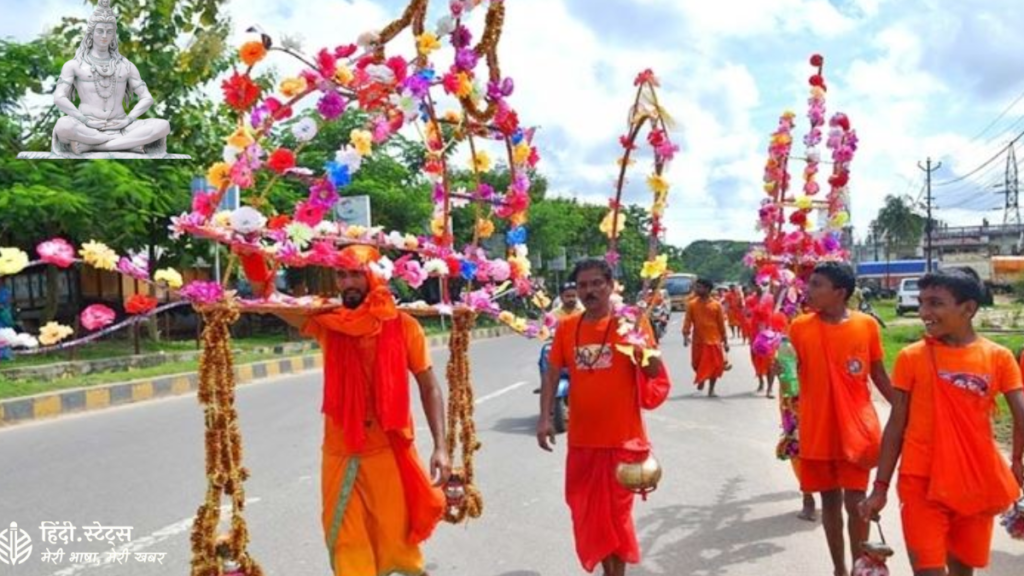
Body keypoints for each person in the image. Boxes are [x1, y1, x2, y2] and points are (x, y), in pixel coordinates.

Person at [250, 246, 450, 576]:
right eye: (342, 275)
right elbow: (267, 296)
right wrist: (249, 253)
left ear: (374, 275)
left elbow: (429, 386)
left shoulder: (404, 326)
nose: (348, 282)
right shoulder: (328, 323)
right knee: (346, 540)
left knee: (396, 542)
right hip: (341, 452)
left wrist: (441, 447)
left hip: (387, 451)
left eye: (356, 273)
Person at [860, 268, 1024, 576]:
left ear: (968, 309)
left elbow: (1021, 413)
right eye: (922, 303)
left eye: (935, 303)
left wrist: (1016, 459)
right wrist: (879, 487)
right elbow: (896, 425)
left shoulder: (998, 357)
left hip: (975, 483)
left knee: (963, 571)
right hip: (921, 483)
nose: (924, 312)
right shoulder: (911, 357)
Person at [537, 258, 669, 576]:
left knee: (616, 518)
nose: (590, 290)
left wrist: (640, 347)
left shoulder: (631, 325)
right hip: (582, 442)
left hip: (623, 441)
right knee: (586, 513)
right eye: (583, 285)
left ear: (611, 285)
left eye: (597, 283)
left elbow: (654, 373)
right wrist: (545, 418)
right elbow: (552, 374)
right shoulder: (568, 327)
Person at [789, 262, 894, 576]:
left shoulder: (867, 325)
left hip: (857, 429)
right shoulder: (799, 327)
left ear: (840, 293)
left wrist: (906, 413)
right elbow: (790, 375)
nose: (808, 290)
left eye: (817, 284)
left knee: (857, 502)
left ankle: (859, 566)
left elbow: (878, 374)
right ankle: (839, 569)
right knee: (829, 502)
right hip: (817, 426)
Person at [683, 278, 729, 397]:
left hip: (714, 340)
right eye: (696, 287)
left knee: (714, 366)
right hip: (698, 340)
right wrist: (685, 335)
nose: (697, 289)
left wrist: (725, 341)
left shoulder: (716, 305)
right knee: (696, 364)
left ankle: (711, 389)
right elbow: (687, 321)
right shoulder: (692, 304)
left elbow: (721, 324)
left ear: (707, 289)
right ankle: (701, 377)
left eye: (700, 287)